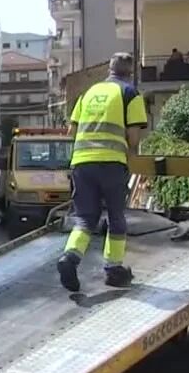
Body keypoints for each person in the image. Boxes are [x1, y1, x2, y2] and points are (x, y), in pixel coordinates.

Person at [56, 52, 148, 292]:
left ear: (109, 69)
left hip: (82, 163)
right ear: (131, 72)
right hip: (112, 164)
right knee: (116, 217)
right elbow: (134, 137)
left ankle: (70, 258)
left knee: (85, 218)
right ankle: (113, 269)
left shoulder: (88, 93)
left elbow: (71, 133)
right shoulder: (130, 94)